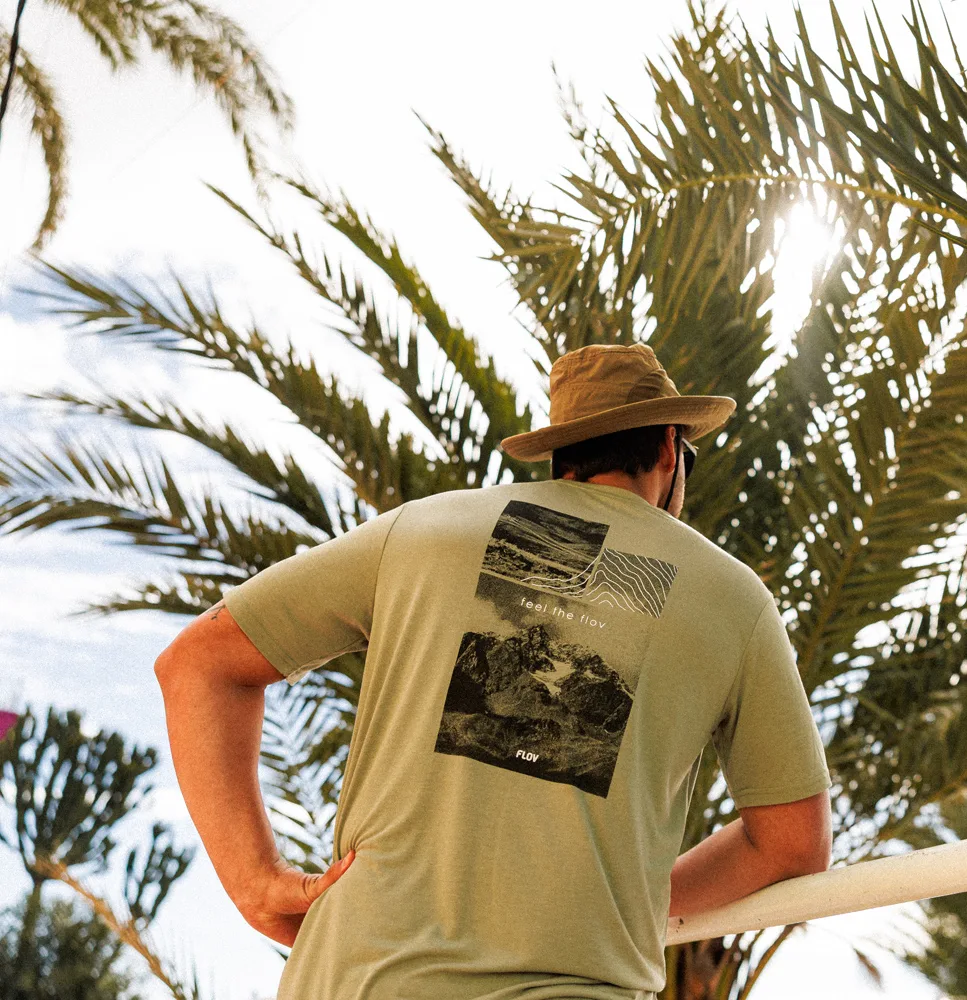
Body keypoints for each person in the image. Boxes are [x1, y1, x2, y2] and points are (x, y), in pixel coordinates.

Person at [154, 343, 832, 999]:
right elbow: (792, 845)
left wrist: (256, 881)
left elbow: (197, 662)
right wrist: (629, 901)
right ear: (667, 449)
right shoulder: (732, 597)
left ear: (561, 453)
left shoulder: (421, 530)